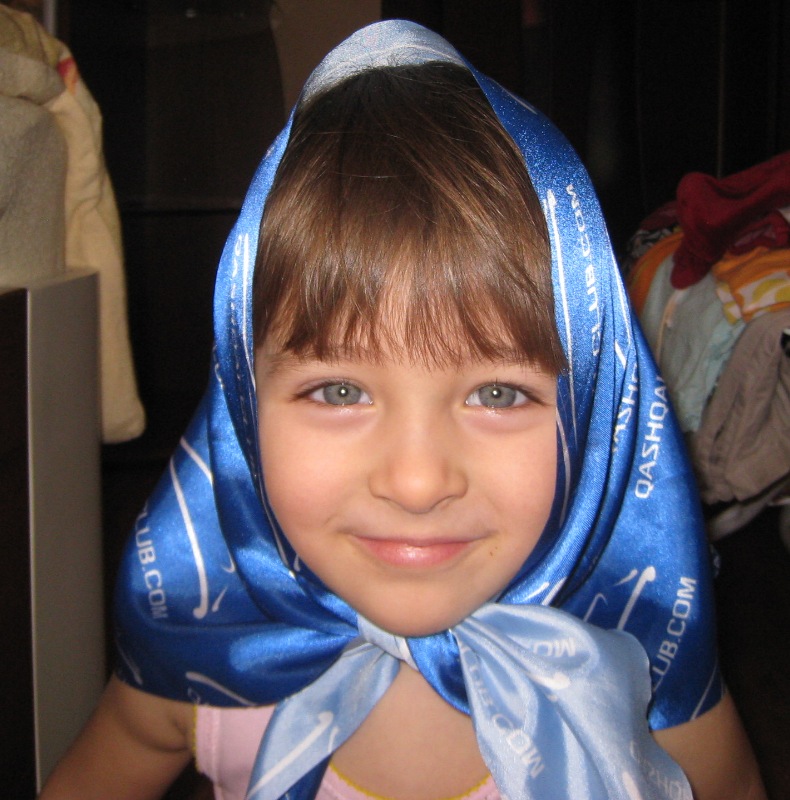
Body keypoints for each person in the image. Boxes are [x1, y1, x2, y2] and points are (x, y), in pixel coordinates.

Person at [40, 20, 766, 800]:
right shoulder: (199, 682)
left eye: (497, 393)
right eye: (339, 391)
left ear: (595, 422)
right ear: (242, 416)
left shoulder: (639, 689)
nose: (417, 484)